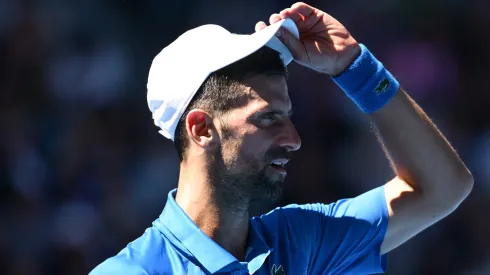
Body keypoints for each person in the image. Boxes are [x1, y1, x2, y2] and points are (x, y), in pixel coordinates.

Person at [90, 2, 473, 274]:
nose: (293, 139)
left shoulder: (304, 239)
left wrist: (357, 68)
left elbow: (442, 188)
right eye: (268, 118)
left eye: (288, 116)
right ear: (201, 129)